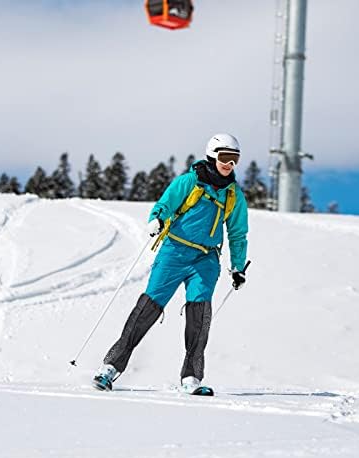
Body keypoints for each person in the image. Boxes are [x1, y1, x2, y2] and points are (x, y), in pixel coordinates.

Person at [93, 133, 249, 394]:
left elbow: (237, 233)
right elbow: (165, 205)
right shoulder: (189, 182)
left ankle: (192, 377)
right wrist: (157, 219)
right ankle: (111, 367)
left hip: (205, 259)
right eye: (225, 158)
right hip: (174, 252)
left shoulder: (234, 195)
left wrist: (237, 266)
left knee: (200, 313)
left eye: (235, 160)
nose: (229, 164)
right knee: (149, 306)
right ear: (212, 156)